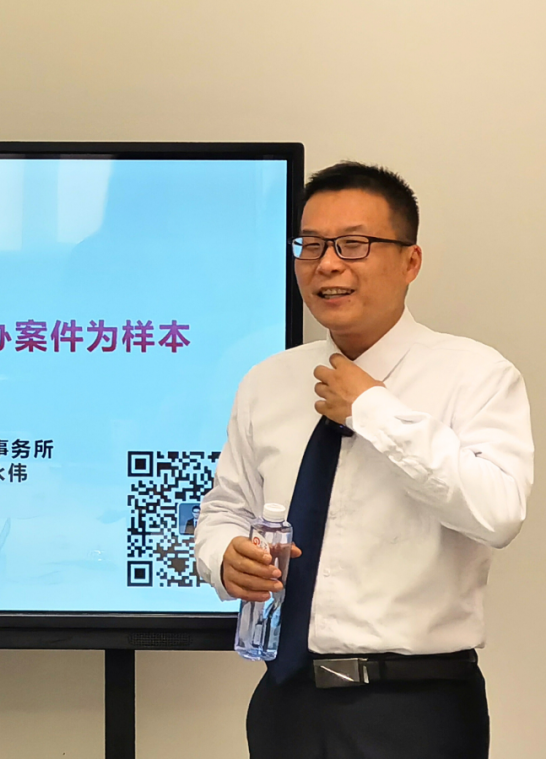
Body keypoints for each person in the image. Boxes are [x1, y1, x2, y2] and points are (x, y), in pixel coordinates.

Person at [194, 161, 534, 759]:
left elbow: (498, 512)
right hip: (286, 701)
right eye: (311, 245)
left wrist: (372, 409)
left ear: (410, 261)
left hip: (416, 707)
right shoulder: (267, 381)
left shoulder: (476, 374)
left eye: (353, 244)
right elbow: (224, 509)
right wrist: (224, 557)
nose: (327, 264)